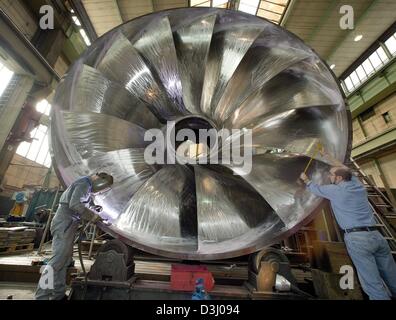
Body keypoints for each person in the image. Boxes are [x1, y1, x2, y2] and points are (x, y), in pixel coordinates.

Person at [300, 166, 396, 300]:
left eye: (331, 175)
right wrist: (327, 156)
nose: (329, 177)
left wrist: (305, 180)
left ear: (339, 178)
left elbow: (314, 188)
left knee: (372, 283)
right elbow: (346, 170)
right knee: (392, 277)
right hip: (376, 236)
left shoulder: (335, 190)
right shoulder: (358, 186)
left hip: (357, 239)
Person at [35, 172, 113, 300]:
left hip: (68, 223)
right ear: (100, 180)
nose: (100, 191)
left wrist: (94, 208)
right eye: (103, 187)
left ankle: (58, 296)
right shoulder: (84, 184)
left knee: (64, 262)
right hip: (64, 223)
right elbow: (75, 204)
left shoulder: (86, 186)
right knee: (56, 262)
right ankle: (41, 296)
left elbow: (85, 202)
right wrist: (93, 216)